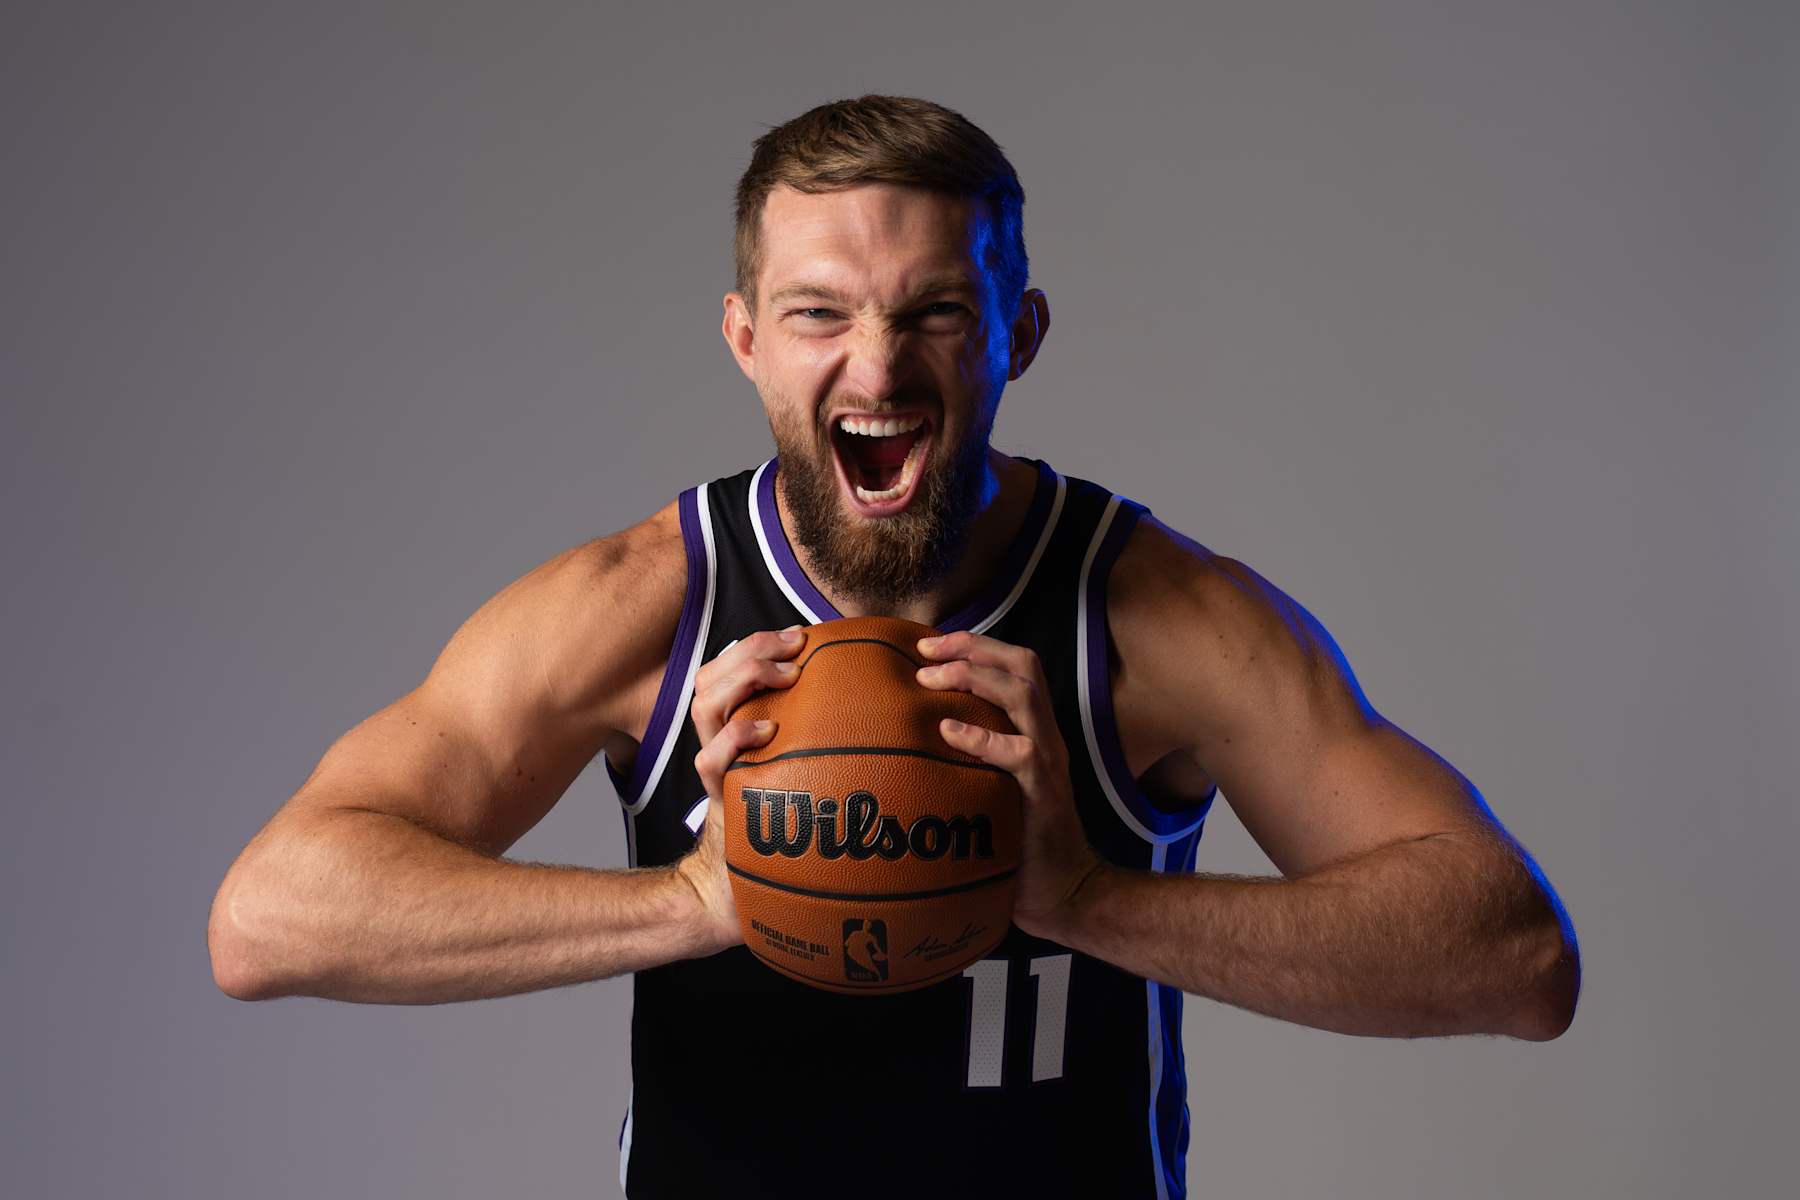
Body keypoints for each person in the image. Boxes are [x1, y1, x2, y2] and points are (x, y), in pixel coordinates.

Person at [208, 94, 1580, 1199]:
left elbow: (1515, 959)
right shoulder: (648, 607)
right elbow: (272, 917)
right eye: (820, 313)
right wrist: (693, 902)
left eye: (934, 311)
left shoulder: (1156, 618)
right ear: (746, 341)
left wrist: (1089, 900)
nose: (876, 369)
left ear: (1015, 336)